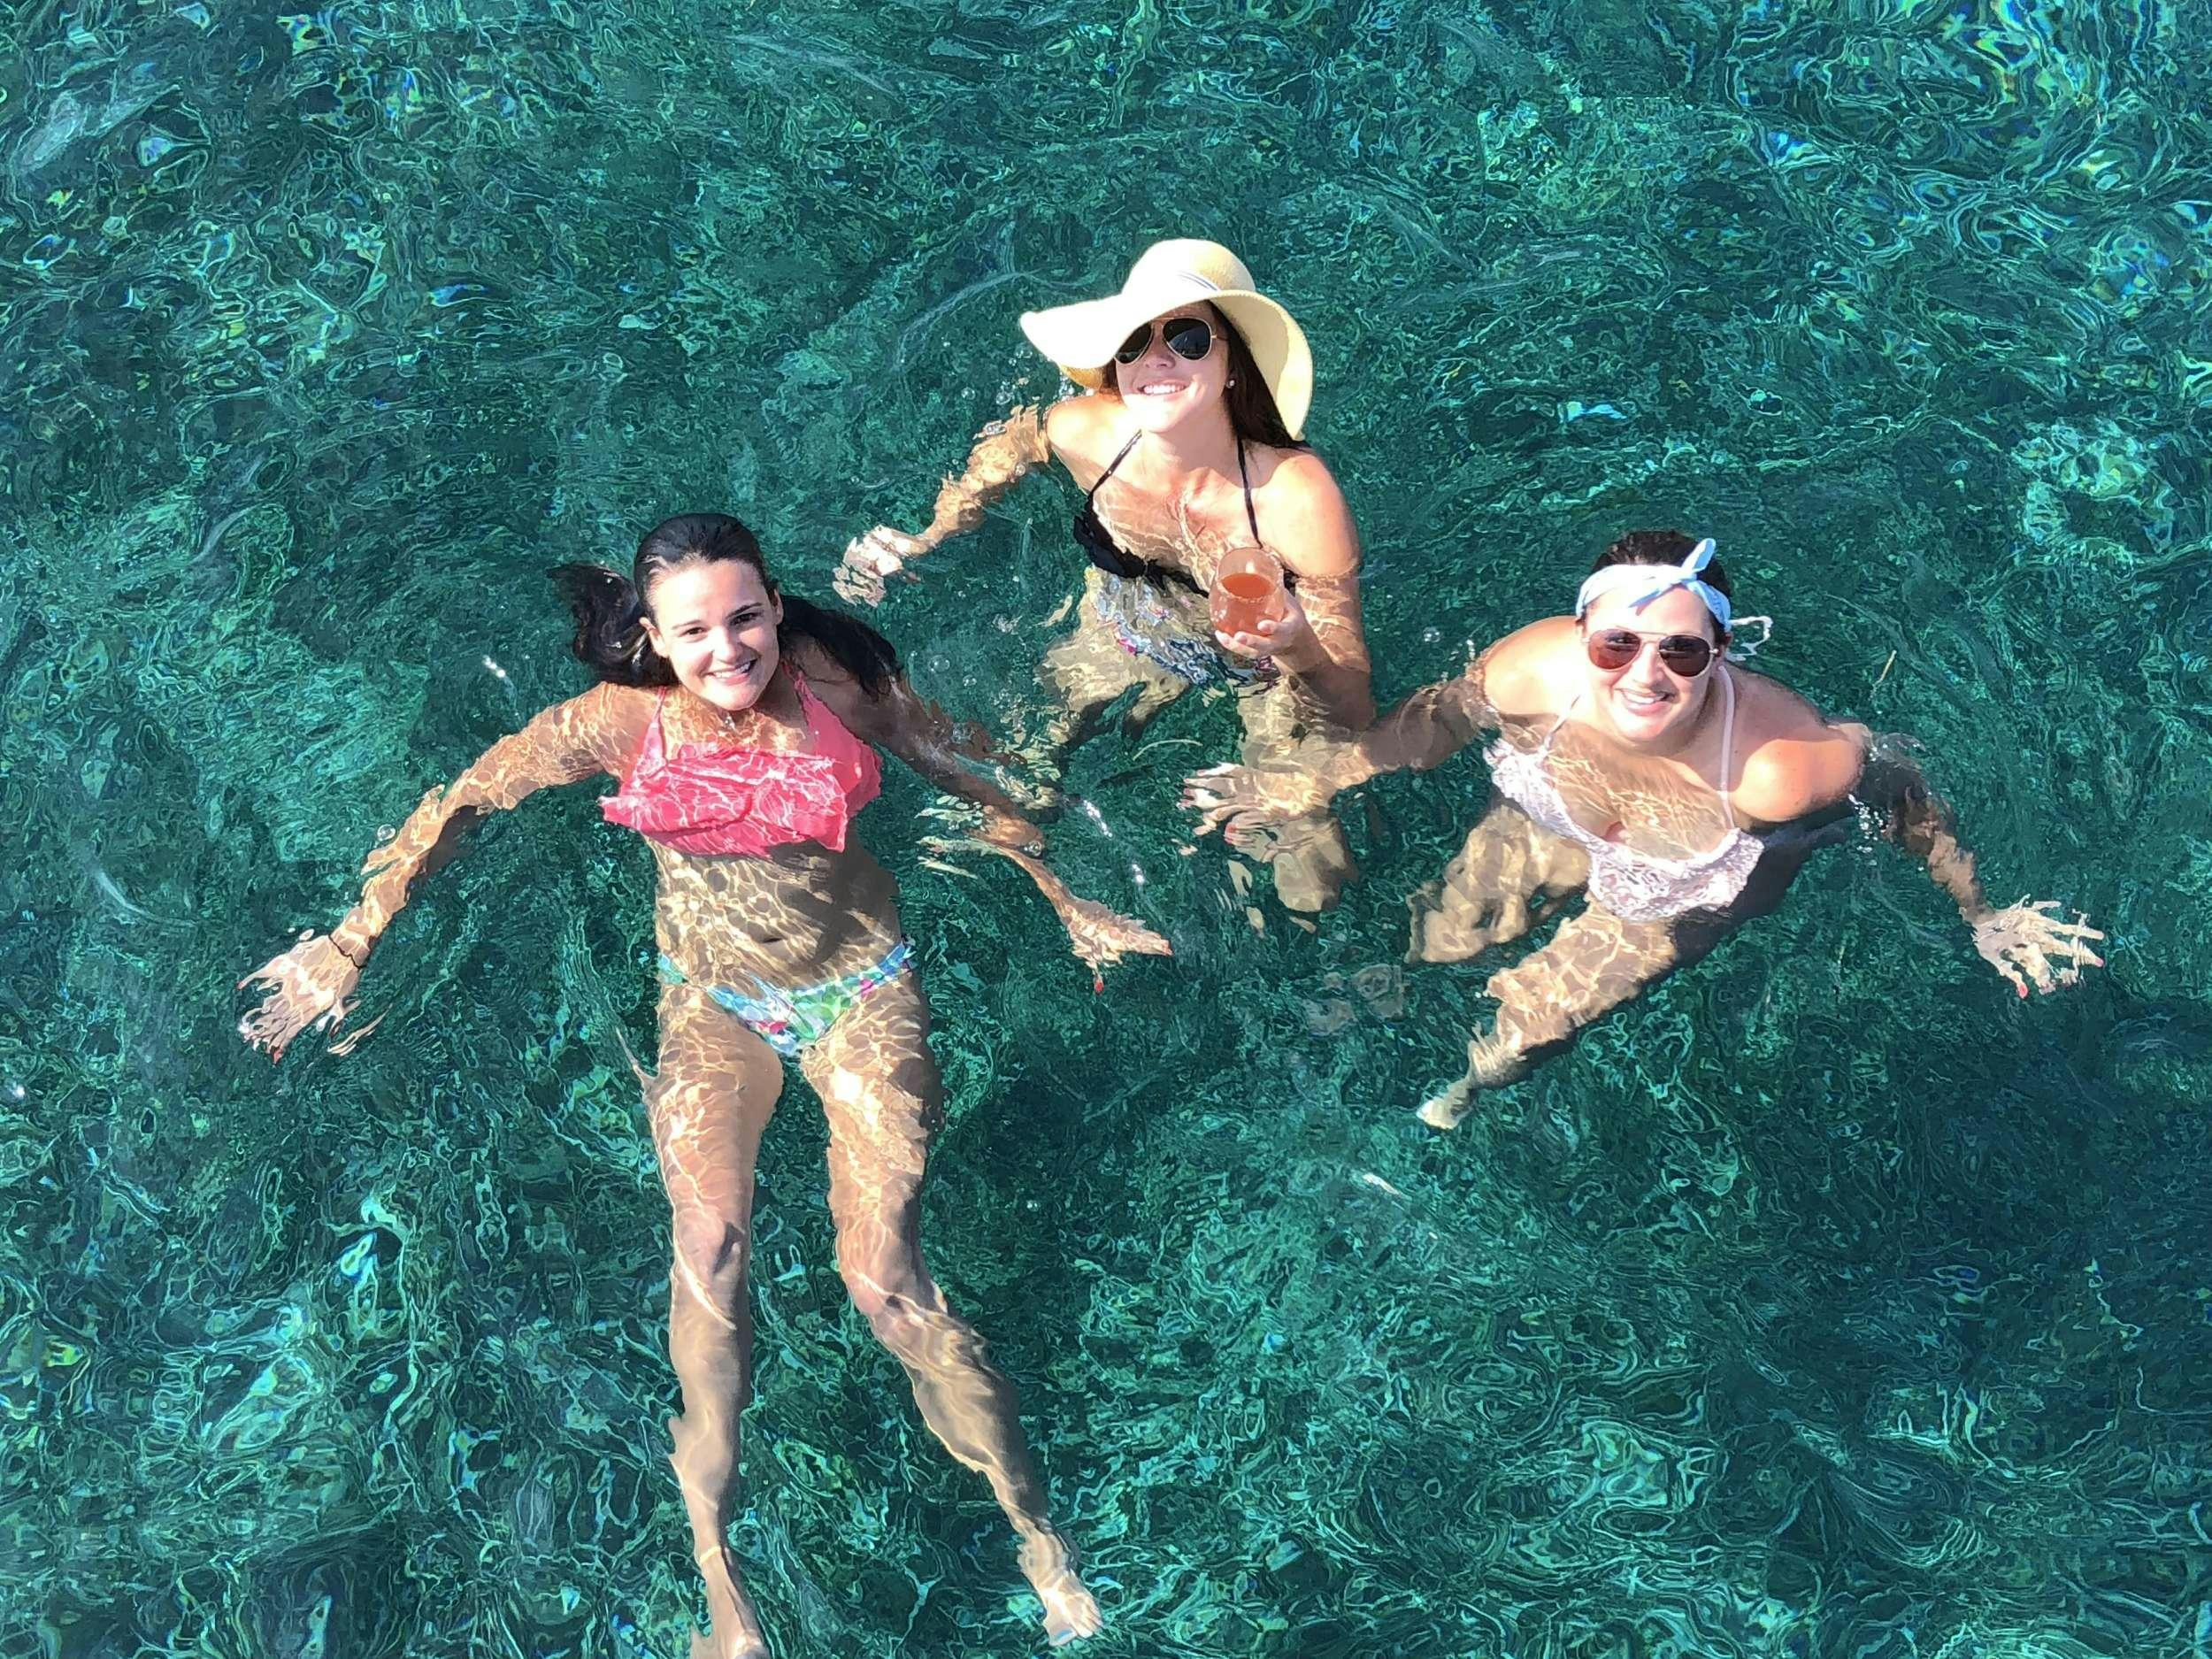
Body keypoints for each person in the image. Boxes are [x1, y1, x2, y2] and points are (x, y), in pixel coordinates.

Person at [239, 514, 1169, 1656]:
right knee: (710, 1247)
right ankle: (721, 1579)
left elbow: (968, 770)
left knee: (883, 1280)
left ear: (775, 601)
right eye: (694, 631)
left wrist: (1069, 901)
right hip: (711, 1000)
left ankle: (1037, 1533)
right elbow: (467, 796)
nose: (728, 648)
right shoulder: (622, 721)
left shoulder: (838, 684)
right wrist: (352, 939)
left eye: (745, 617)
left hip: (857, 994)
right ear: (654, 637)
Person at [1183, 530, 2104, 1125]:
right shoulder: (1532, 673)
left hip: (1680, 877)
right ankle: (1362, 1013)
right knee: (1441, 935)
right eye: (1616, 643)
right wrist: (1302, 780)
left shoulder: (1778, 767)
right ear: (1581, 632)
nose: (1644, 674)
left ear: (1722, 652)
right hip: (1556, 805)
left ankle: (1440, 1108)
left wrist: (1982, 912)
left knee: (1522, 1032)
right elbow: (1432, 725)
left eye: (1682, 651)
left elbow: (1903, 799)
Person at [836, 238, 1376, 913]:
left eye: (1187, 337)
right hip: (1127, 628)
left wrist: (1295, 645)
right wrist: (932, 533)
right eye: (1135, 341)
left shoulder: (1295, 498)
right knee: (1012, 793)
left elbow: (1352, 704)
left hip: (1265, 670)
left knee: (1309, 878)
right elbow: (1019, 441)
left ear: (1234, 364)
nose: (1157, 357)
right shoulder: (1088, 434)